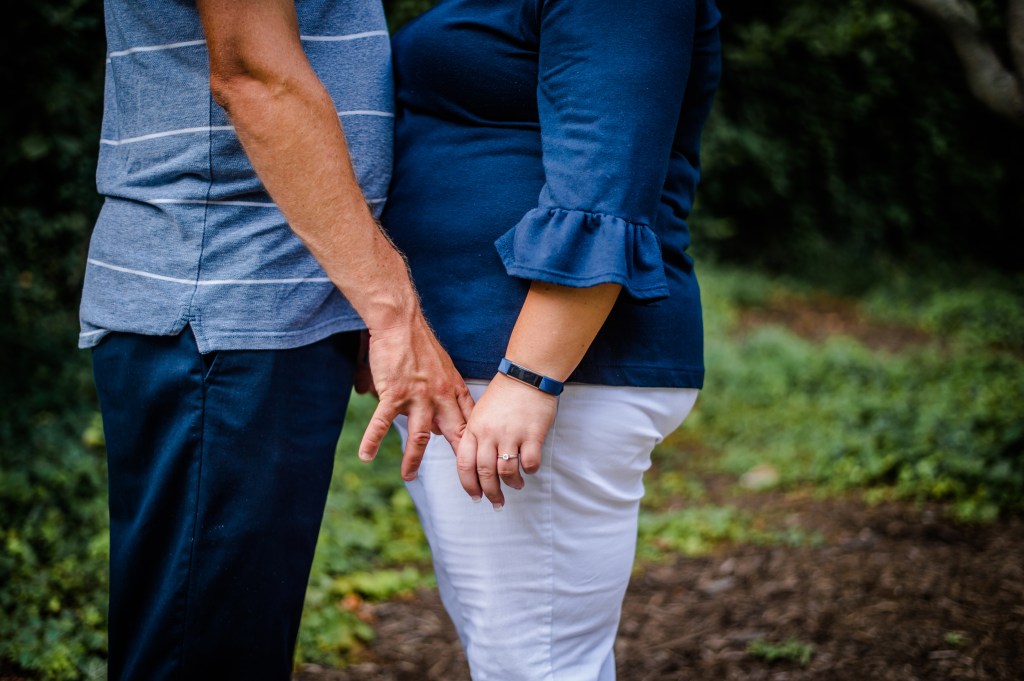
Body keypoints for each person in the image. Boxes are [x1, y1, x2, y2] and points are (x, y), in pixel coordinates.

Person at [79, 1, 471, 679]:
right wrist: (392, 311)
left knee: (226, 643)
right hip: (223, 303)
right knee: (205, 657)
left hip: (258, 301)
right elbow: (255, 76)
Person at [379, 0, 722, 678]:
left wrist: (530, 375)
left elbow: (605, 178)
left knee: (536, 663)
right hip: (478, 361)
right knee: (516, 654)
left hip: (542, 366)